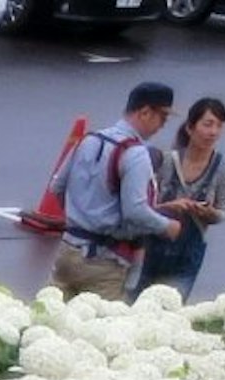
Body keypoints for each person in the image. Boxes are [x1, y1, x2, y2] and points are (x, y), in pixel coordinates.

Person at [48, 79, 176, 302]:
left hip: (67, 252)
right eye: (162, 117)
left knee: (53, 321)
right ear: (145, 112)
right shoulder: (135, 153)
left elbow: (57, 187)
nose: (163, 125)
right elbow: (135, 211)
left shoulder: (89, 139)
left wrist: (79, 216)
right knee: (102, 329)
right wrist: (167, 226)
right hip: (104, 262)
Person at [130, 98, 225, 302]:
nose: (213, 132)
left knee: (172, 308)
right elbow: (142, 207)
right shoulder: (167, 161)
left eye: (219, 126)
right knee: (136, 306)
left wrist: (208, 213)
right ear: (190, 127)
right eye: (207, 124)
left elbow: (221, 212)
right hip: (152, 248)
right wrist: (169, 207)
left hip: (188, 254)